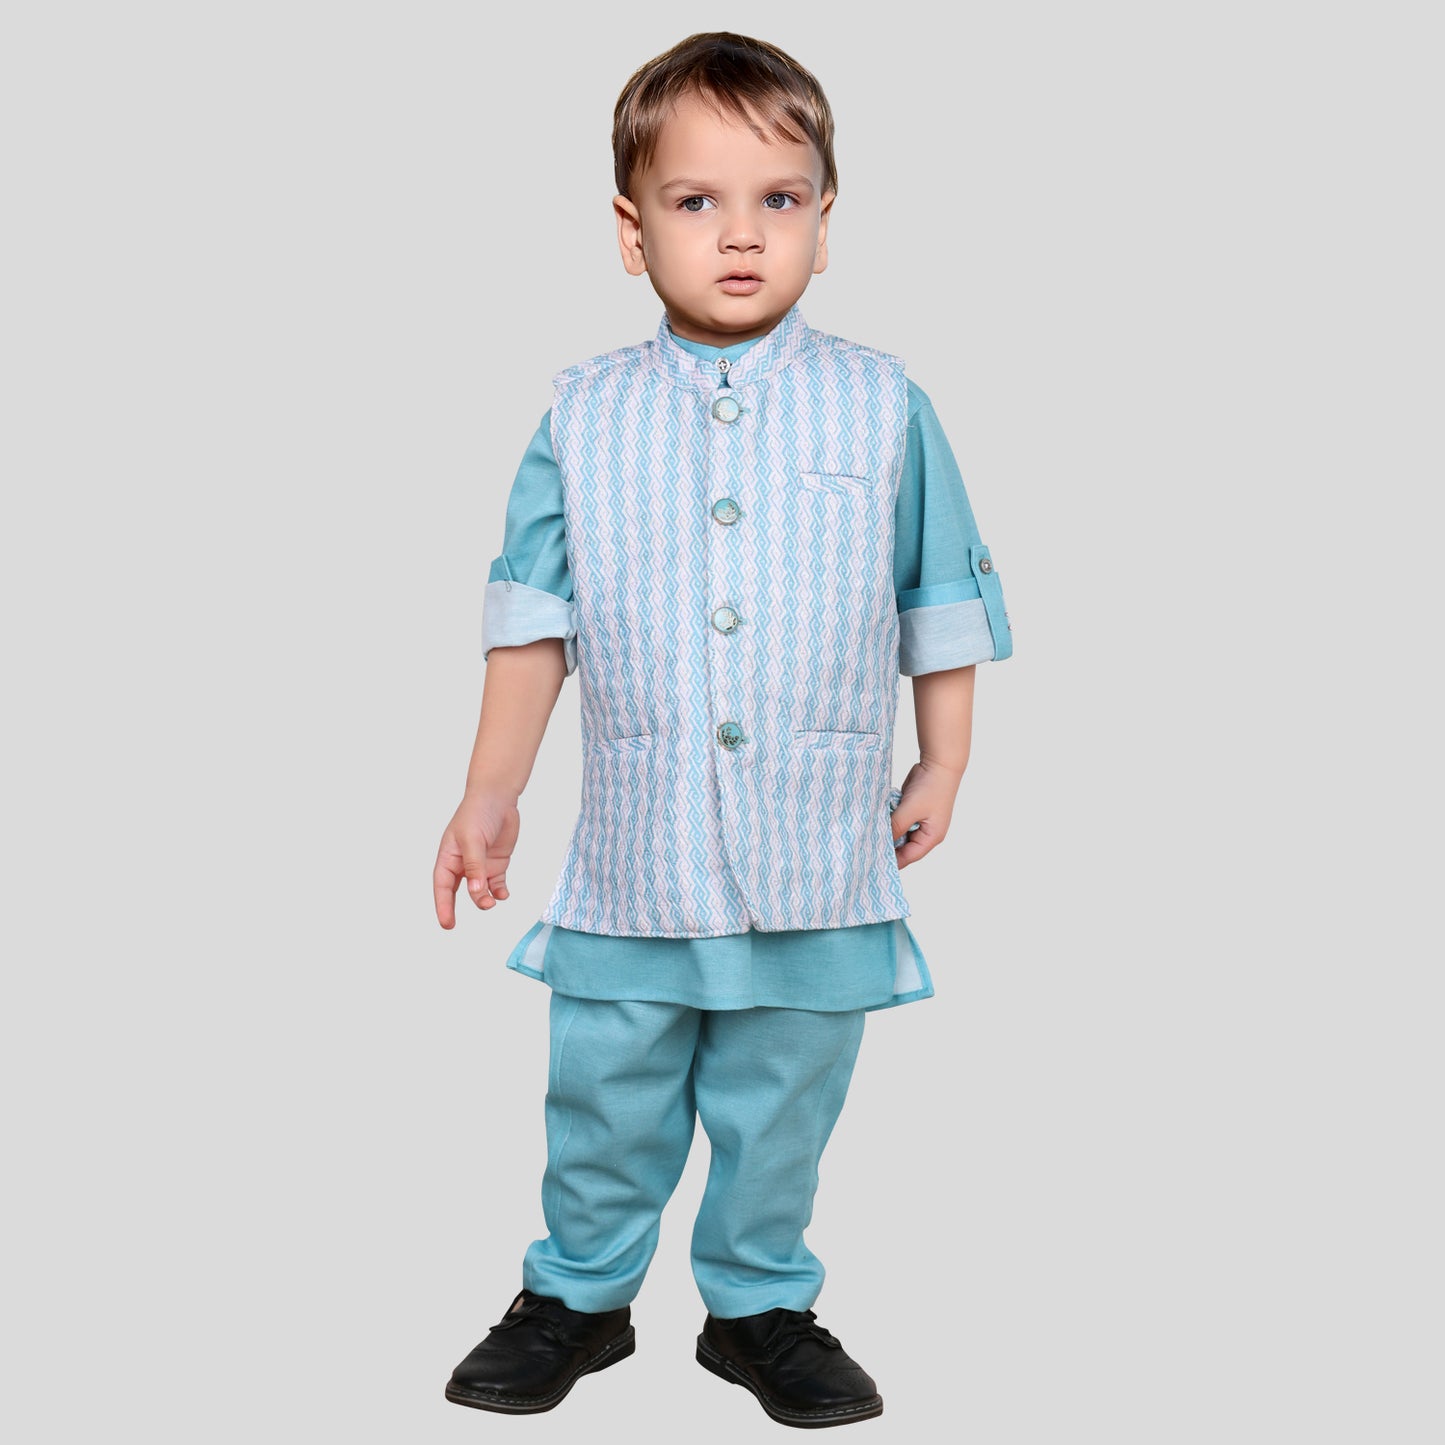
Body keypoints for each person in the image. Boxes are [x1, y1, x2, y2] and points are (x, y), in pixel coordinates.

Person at [431, 30, 1014, 1429]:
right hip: (636, 855)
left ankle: (758, 1308)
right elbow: (533, 622)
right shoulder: (582, 415)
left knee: (782, 1103)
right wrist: (489, 791)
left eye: (778, 198)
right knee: (605, 1093)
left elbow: (936, 590)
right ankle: (577, 1295)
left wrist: (945, 758)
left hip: (819, 846)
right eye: (696, 201)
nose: (741, 234)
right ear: (631, 231)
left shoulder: (883, 404)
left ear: (825, 218)